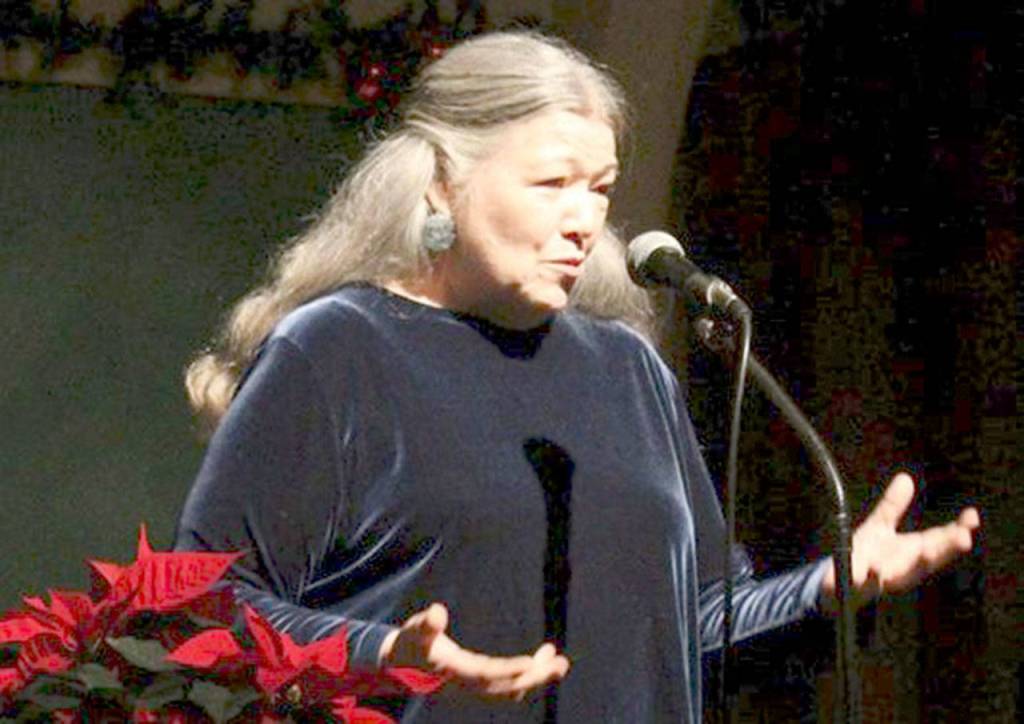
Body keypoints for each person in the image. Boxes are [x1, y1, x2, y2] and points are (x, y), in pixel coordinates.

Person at [174, 30, 980, 722]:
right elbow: (204, 604)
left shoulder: (627, 369)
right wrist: (383, 650)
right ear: (443, 182)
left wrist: (827, 590)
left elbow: (697, 624)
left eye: (600, 189)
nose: (585, 220)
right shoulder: (338, 350)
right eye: (552, 184)